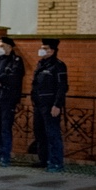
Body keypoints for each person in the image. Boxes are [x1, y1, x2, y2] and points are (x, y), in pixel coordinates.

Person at [0, 36, 25, 167]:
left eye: (2, 46)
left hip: (7, 99)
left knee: (5, 128)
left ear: (9, 47)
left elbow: (14, 77)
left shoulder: (16, 60)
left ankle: (5, 155)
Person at [31, 38, 69, 172]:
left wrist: (57, 105)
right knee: (40, 132)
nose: (42, 50)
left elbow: (62, 87)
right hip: (39, 104)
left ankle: (56, 162)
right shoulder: (41, 64)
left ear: (52, 51)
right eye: (42, 47)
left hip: (50, 105)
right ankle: (44, 160)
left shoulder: (58, 66)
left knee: (52, 133)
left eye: (45, 48)